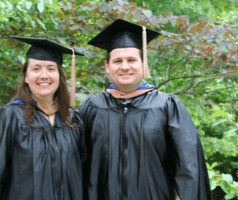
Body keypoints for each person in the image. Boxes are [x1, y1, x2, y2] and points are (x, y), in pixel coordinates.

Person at [79, 19, 212, 200]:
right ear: (107, 66)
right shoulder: (92, 107)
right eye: (118, 61)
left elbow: (189, 165)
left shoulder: (167, 106)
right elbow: (74, 160)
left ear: (143, 63)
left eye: (131, 59)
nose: (125, 66)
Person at [0, 36, 86, 200]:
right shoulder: (8, 117)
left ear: (60, 76)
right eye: (36, 68)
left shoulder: (73, 120)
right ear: (25, 76)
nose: (44, 75)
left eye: (51, 69)